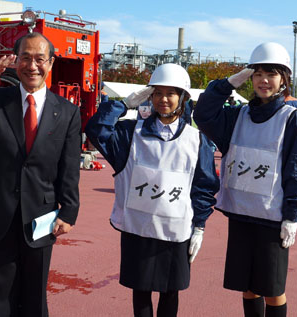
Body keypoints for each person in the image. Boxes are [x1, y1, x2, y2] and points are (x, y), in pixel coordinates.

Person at [0, 32, 81, 316]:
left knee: (35, 294)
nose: (32, 66)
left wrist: (69, 211)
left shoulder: (68, 112)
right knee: (2, 294)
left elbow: (69, 167)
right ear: (15, 62)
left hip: (41, 215)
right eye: (25, 58)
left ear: (50, 63)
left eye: (40, 59)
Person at [85, 63, 219, 317]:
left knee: (171, 292)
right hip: (139, 228)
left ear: (183, 98)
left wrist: (199, 226)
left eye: (171, 93)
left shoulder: (196, 140)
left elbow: (203, 186)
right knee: (141, 290)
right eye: (157, 93)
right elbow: (96, 130)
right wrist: (123, 104)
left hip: (176, 231)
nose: (163, 99)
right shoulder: (130, 133)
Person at [193, 42, 297, 317]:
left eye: (271, 74)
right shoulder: (238, 115)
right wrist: (225, 84)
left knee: (272, 289)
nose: (263, 80)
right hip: (241, 214)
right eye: (257, 73)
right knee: (247, 287)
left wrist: (293, 214)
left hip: (272, 218)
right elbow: (202, 114)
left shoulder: (290, 118)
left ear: (283, 79)